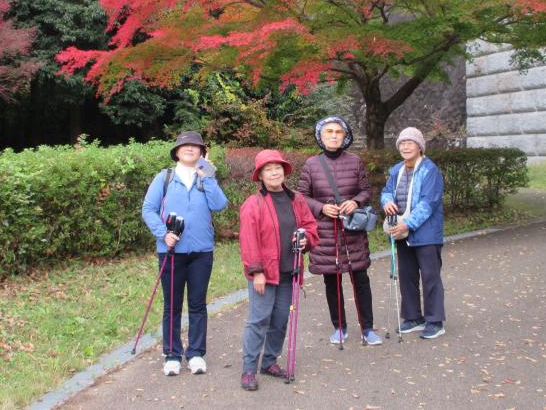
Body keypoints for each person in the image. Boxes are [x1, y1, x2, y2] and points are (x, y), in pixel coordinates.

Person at [142, 131, 228, 376]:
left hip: (201, 251)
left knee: (198, 304)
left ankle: (196, 353)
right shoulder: (165, 177)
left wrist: (207, 176)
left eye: (196, 146)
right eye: (185, 146)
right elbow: (148, 209)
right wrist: (163, 233)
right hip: (171, 251)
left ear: (202, 152)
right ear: (177, 151)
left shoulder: (206, 177)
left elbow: (220, 205)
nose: (190, 149)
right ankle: (172, 354)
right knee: (172, 304)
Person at [239, 149, 319, 391]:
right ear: (260, 175)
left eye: (277, 168)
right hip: (265, 273)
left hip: (290, 270)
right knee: (258, 320)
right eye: (268, 169)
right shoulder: (253, 204)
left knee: (281, 319)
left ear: (284, 171)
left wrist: (308, 240)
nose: (274, 173)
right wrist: (257, 272)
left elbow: (309, 225)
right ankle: (249, 369)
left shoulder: (297, 199)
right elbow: (248, 240)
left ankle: (270, 361)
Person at [297, 116, 382, 346]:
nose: (334, 135)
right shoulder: (311, 165)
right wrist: (321, 207)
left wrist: (355, 202)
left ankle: (367, 328)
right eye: (329, 132)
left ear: (345, 136)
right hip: (325, 233)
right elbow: (301, 197)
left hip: (352, 230)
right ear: (320, 136)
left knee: (360, 279)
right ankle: (340, 326)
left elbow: (366, 190)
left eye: (338, 132)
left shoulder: (355, 161)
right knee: (331, 281)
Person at [381, 127, 446, 339]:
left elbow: (429, 203)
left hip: (426, 233)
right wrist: (387, 201)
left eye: (410, 143)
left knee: (430, 276)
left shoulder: (430, 170)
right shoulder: (396, 170)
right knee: (407, 275)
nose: (406, 146)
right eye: (402, 143)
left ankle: (435, 321)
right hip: (402, 232)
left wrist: (407, 224)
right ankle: (413, 317)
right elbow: (386, 191)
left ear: (420, 147)